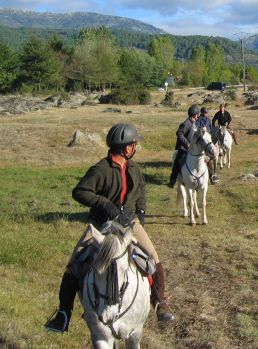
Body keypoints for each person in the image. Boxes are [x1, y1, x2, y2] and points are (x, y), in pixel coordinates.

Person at [44, 123, 175, 333]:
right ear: (125, 147)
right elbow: (79, 192)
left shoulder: (134, 168)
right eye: (134, 144)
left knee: (153, 256)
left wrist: (140, 212)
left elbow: (141, 190)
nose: (135, 147)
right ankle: (63, 313)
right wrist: (106, 205)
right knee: (75, 261)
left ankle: (159, 302)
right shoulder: (101, 169)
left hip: (130, 223)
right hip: (101, 224)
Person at [168, 104, 199, 188]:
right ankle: (172, 182)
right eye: (197, 114)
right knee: (177, 164)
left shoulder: (194, 123)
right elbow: (179, 134)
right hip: (183, 148)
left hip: (192, 148)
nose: (198, 116)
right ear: (195, 114)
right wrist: (187, 143)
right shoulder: (186, 123)